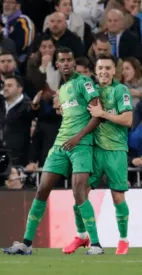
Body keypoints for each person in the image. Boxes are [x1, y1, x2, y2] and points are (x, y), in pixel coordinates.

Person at [3, 47, 103, 255]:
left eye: (69, 60)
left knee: (79, 192)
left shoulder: (84, 83)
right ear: (57, 65)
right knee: (42, 189)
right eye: (62, 61)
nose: (66, 63)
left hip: (81, 144)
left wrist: (78, 137)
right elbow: (65, 116)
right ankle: (26, 243)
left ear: (74, 63)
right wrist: (38, 107)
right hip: (60, 144)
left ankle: (95, 244)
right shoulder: (62, 89)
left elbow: (98, 114)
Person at [63, 54, 133, 255]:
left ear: (114, 71)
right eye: (100, 68)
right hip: (93, 150)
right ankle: (82, 236)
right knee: (79, 194)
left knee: (117, 196)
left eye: (107, 68)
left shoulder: (121, 91)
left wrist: (103, 114)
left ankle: (123, 240)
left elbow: (128, 119)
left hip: (116, 151)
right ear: (96, 71)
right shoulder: (90, 91)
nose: (103, 71)